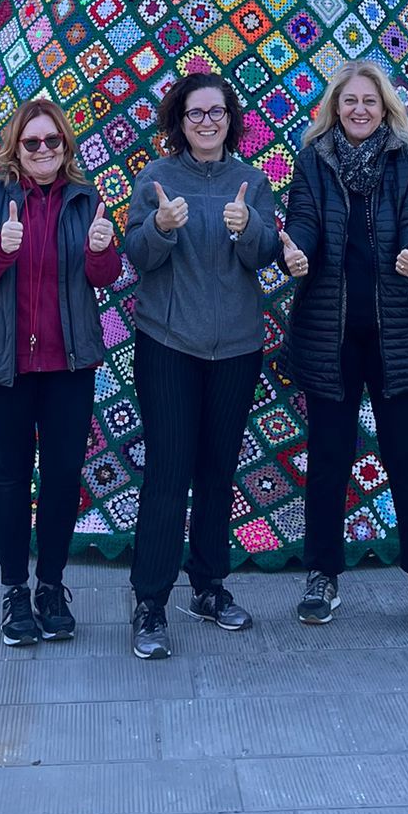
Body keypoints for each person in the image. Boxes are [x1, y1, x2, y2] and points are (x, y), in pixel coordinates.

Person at [278, 59, 408, 632]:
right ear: (335, 107)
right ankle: (322, 575)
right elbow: (303, 219)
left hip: (397, 333)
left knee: (407, 457)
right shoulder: (313, 160)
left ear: (386, 109)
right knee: (327, 457)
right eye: (350, 100)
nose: (360, 109)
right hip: (330, 334)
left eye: (370, 101)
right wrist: (295, 250)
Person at [123, 72, 280, 661]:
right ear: (180, 121)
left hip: (237, 348)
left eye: (217, 112)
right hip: (168, 345)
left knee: (218, 472)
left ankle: (209, 586)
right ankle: (150, 601)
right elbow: (137, 257)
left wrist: (250, 228)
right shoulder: (156, 179)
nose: (207, 122)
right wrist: (160, 228)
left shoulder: (252, 181)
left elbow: (265, 257)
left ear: (230, 119)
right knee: (168, 474)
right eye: (196, 113)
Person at [0, 97, 122, 648]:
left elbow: (104, 276)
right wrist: (1, 250)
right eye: (32, 142)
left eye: (53, 140)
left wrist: (100, 251)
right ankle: (14, 591)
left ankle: (51, 586)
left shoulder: (85, 200)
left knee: (62, 476)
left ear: (65, 145)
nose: (43, 149)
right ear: (16, 148)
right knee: (8, 474)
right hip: (1, 364)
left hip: (68, 364)